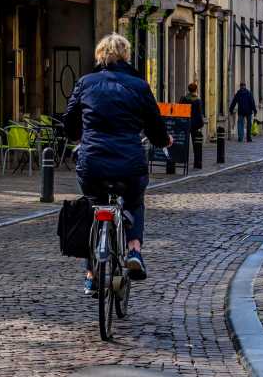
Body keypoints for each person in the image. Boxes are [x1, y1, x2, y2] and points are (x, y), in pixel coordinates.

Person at [65, 33, 171, 292]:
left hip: (92, 161)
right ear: (126, 56)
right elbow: (154, 124)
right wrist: (164, 139)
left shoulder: (85, 83)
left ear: (99, 56)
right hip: (129, 161)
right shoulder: (138, 85)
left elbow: (69, 121)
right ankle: (134, 249)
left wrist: (80, 135)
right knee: (134, 202)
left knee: (92, 207)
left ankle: (91, 273)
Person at [184, 82, 205, 147]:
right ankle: (196, 153)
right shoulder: (198, 100)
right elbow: (200, 113)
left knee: (184, 141)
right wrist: (201, 123)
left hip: (185, 122)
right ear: (196, 90)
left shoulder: (184, 98)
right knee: (195, 141)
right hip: (195, 123)